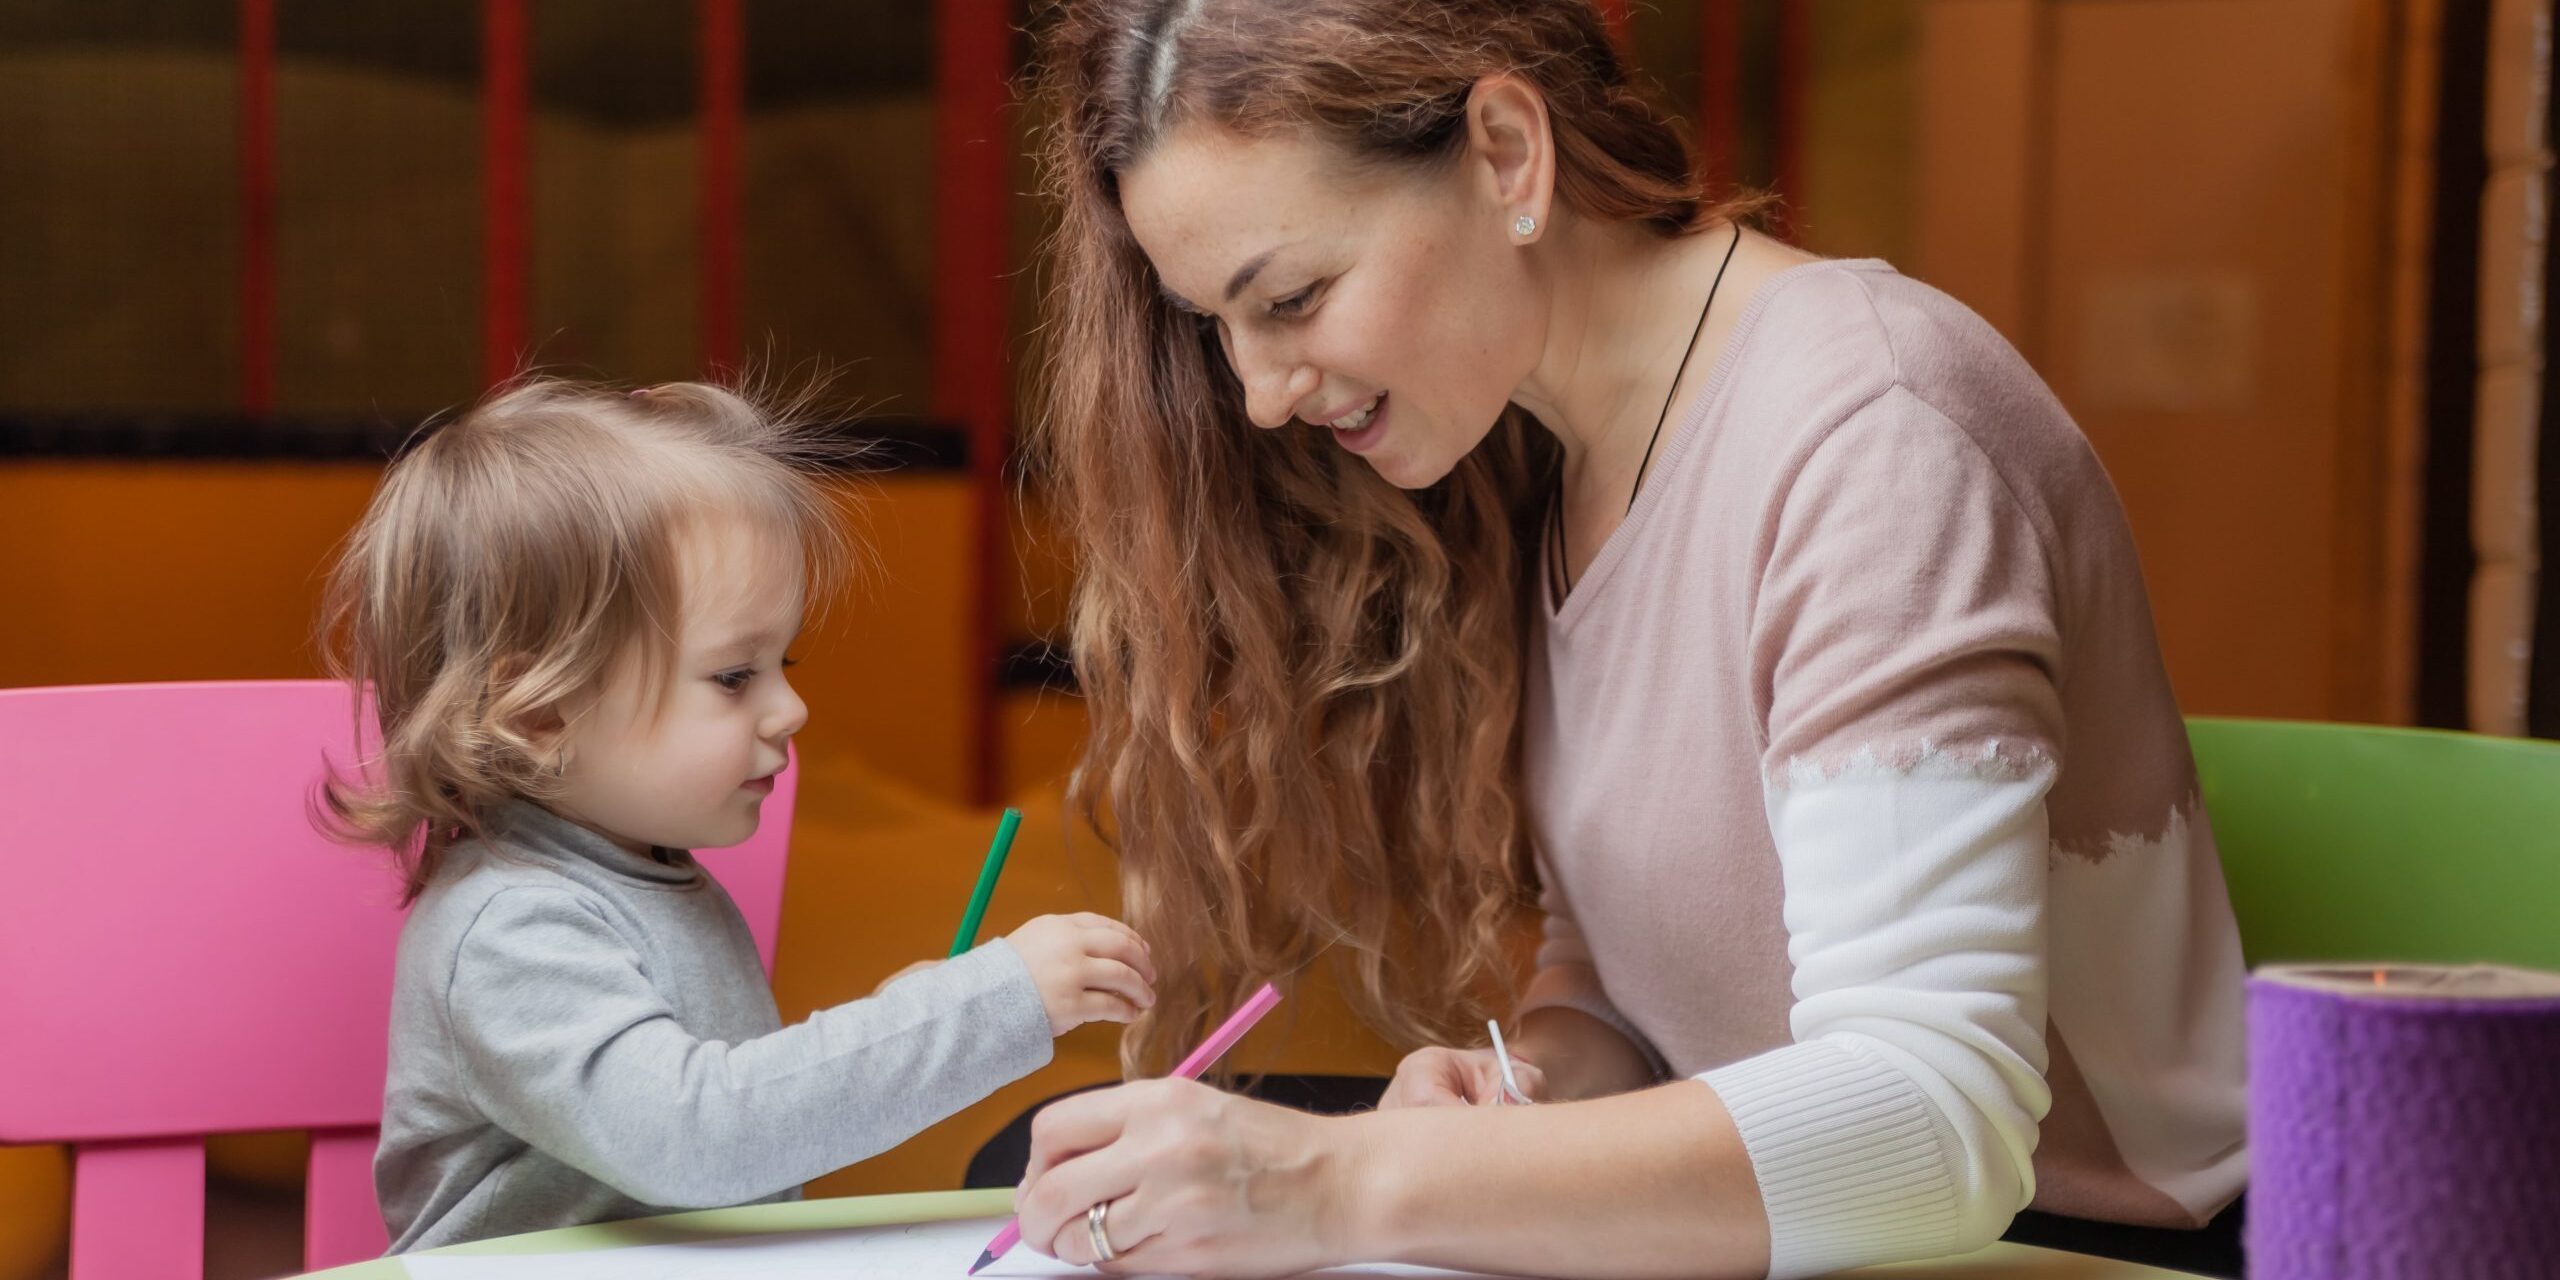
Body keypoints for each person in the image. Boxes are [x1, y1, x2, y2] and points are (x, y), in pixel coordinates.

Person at [1008, 3, 2247, 1277]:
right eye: (1219, 323)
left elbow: (1932, 1117)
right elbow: (1634, 978)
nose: (1261, 392)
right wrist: (1534, 1084)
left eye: (1294, 296)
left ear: (1504, 152)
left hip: (2071, 1247)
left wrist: (1341, 1178)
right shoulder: (1557, 457)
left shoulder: (1876, 435)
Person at [320, 378, 1157, 1251]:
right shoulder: (507, 927)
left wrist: (913, 1013)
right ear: (542, 712)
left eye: (781, 662)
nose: (790, 709)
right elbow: (698, 1137)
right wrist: (983, 1007)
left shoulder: (652, 876)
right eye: (734, 676)